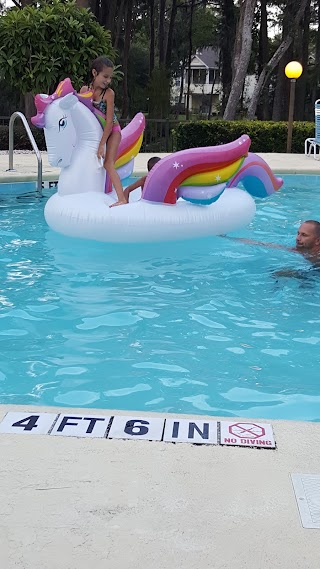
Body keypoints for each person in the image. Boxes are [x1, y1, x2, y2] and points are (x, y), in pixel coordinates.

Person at [80, 56, 127, 208]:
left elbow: (109, 122)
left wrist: (102, 144)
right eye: (105, 76)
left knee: (108, 164)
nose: (108, 81)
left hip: (113, 132)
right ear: (94, 73)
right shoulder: (85, 90)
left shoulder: (109, 94)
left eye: (110, 77)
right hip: (97, 132)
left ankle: (122, 199)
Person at [224, 220, 320, 268]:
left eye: (304, 235)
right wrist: (228, 237)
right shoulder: (299, 250)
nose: (297, 238)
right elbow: (263, 244)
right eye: (298, 233)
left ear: (317, 241)